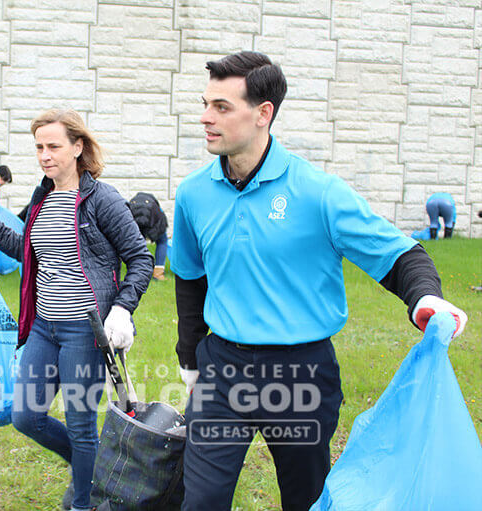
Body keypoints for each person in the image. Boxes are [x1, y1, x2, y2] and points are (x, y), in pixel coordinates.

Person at [169, 51, 469, 511]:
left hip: (301, 373)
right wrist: (190, 357)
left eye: (222, 107)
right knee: (200, 499)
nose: (205, 118)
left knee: (305, 498)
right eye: (206, 104)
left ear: (263, 113)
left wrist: (426, 296)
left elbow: (400, 254)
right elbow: (190, 278)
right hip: (223, 369)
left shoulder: (318, 192)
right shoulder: (193, 193)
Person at [0, 109, 153, 511]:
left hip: (84, 331)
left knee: (82, 425)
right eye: (38, 147)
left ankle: (83, 503)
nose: (44, 155)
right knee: (25, 417)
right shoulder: (42, 198)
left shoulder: (101, 199)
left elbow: (139, 257)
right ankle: (97, 466)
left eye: (53, 146)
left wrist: (122, 309)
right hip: (43, 327)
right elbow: (30, 255)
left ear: (77, 147)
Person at [128, 192, 169, 281]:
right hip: (151, 212)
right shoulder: (155, 205)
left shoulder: (133, 201)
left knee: (137, 244)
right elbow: (161, 222)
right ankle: (158, 274)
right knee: (162, 241)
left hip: (133, 211)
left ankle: (137, 272)